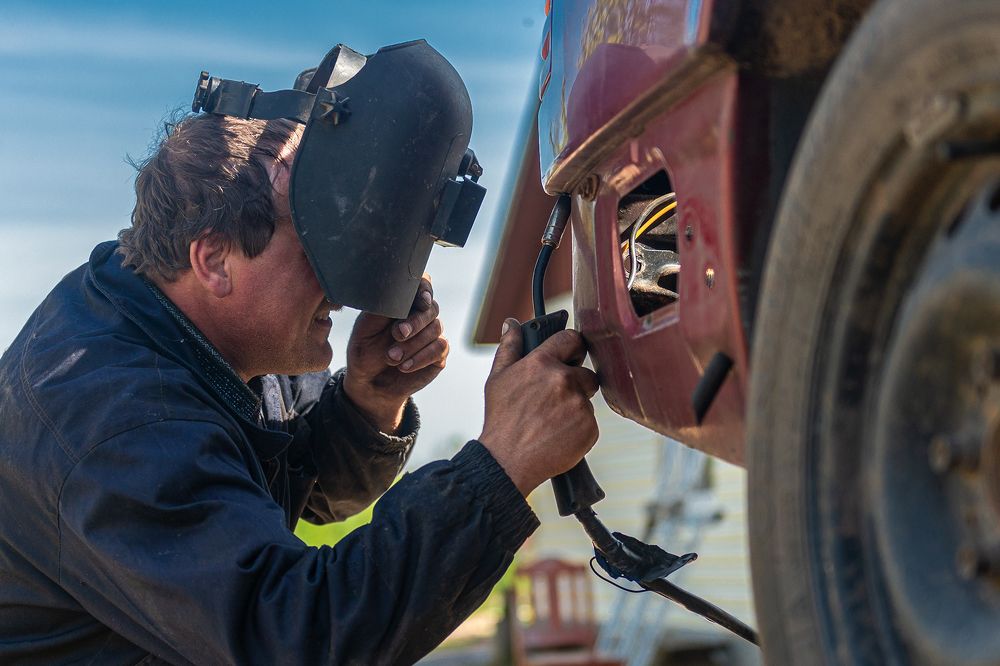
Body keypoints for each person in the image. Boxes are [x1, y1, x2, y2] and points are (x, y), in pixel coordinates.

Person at [0, 113, 600, 664]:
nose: (344, 281)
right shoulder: (118, 423)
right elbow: (297, 638)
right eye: (318, 243)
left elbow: (307, 491)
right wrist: (500, 465)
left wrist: (368, 403)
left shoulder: (201, 332)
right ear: (214, 260)